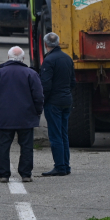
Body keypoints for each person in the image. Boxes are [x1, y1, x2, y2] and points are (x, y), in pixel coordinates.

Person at [0, 46, 44, 183]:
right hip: (26, 116)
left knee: (4, 146)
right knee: (26, 146)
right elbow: (39, 96)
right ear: (23, 59)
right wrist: (37, 111)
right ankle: (26, 174)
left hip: (4, 117)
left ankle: (4, 174)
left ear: (8, 57)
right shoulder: (31, 74)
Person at [39, 32, 76, 176]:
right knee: (64, 134)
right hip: (66, 100)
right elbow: (73, 81)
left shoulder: (49, 61)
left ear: (46, 44)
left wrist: (42, 100)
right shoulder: (68, 59)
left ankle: (60, 166)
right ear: (59, 43)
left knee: (55, 136)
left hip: (53, 102)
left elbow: (45, 85)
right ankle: (66, 166)